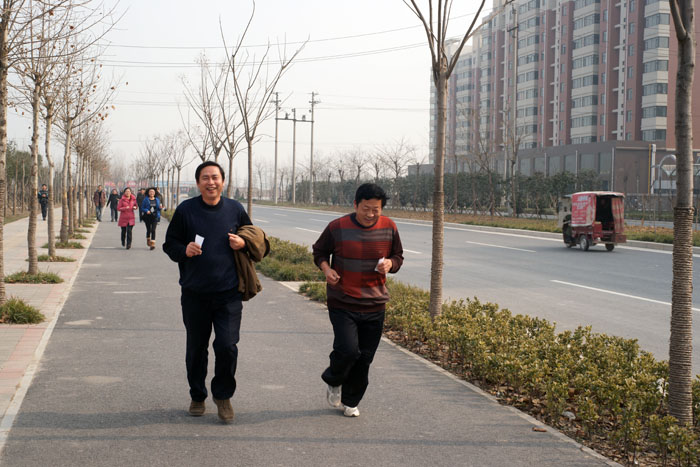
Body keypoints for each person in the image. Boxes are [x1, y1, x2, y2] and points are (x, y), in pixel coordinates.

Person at [163, 161, 255, 423]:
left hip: (229, 293)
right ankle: (197, 395)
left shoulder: (235, 209)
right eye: (205, 178)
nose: (211, 182)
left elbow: (253, 238)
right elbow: (170, 244)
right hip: (195, 293)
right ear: (198, 183)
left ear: (223, 182)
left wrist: (242, 242)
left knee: (227, 346)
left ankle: (223, 396)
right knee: (196, 348)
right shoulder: (186, 210)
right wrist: (184, 250)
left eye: (215, 177)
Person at [312, 183, 404, 418]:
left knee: (365, 357)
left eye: (376, 210)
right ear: (355, 205)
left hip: (375, 303)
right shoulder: (337, 227)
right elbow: (319, 252)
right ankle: (334, 379)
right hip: (343, 301)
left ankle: (351, 400)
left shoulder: (389, 227)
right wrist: (327, 269)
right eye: (366, 209)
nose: (371, 214)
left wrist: (390, 263)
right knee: (348, 350)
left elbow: (398, 257)